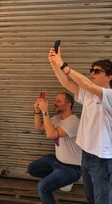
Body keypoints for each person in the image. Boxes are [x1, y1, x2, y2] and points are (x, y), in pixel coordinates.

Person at [48, 47, 112, 204]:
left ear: (109, 77)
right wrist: (54, 63)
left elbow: (88, 85)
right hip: (86, 155)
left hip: (102, 158)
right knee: (90, 198)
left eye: (97, 71)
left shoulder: (109, 95)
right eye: (91, 69)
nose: (92, 73)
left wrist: (63, 65)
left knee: (102, 199)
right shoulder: (89, 94)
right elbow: (65, 82)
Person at [27, 92, 82, 204]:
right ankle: (60, 181)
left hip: (72, 168)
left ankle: (62, 182)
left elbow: (51, 134)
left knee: (42, 188)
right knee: (32, 168)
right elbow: (38, 127)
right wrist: (37, 112)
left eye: (58, 101)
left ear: (68, 105)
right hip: (57, 161)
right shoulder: (57, 118)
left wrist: (45, 111)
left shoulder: (74, 122)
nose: (54, 103)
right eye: (55, 100)